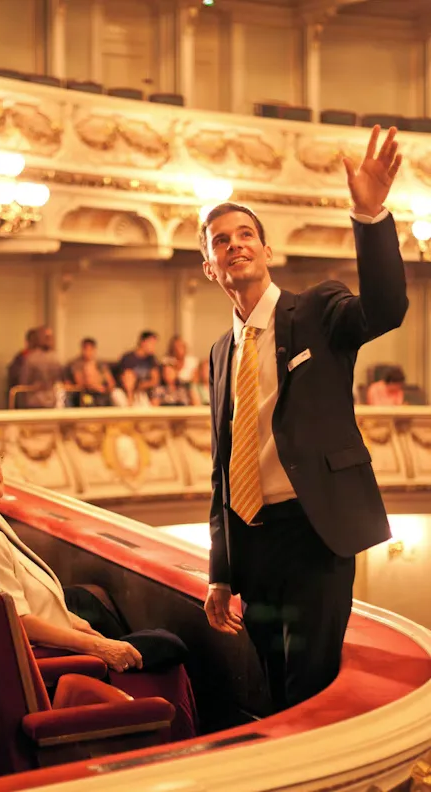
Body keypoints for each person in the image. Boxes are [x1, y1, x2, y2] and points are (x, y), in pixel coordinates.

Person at [202, 125, 407, 712]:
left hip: (316, 530)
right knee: (271, 685)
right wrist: (220, 571)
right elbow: (223, 463)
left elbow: (386, 308)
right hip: (252, 540)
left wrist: (371, 217)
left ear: (267, 252)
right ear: (210, 265)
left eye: (246, 235)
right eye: (221, 241)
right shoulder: (220, 351)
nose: (235, 245)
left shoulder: (318, 308)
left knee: (309, 684)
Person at [19, 326, 63, 408]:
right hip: (39, 400)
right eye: (47, 337)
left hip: (44, 400)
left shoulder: (32, 358)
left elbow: (24, 380)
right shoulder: (32, 358)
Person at [113, 331, 160, 407]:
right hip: (127, 393)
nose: (154, 347)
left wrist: (141, 386)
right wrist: (134, 387)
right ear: (143, 342)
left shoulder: (151, 359)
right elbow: (127, 379)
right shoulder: (128, 358)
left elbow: (155, 380)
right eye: (152, 343)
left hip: (143, 394)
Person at [67, 338, 115, 408]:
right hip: (85, 394)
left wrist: (103, 389)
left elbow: (111, 383)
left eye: (90, 349)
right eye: (86, 349)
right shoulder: (76, 364)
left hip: (102, 394)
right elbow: (80, 383)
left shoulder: (101, 363)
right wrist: (94, 386)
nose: (88, 352)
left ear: (94, 350)